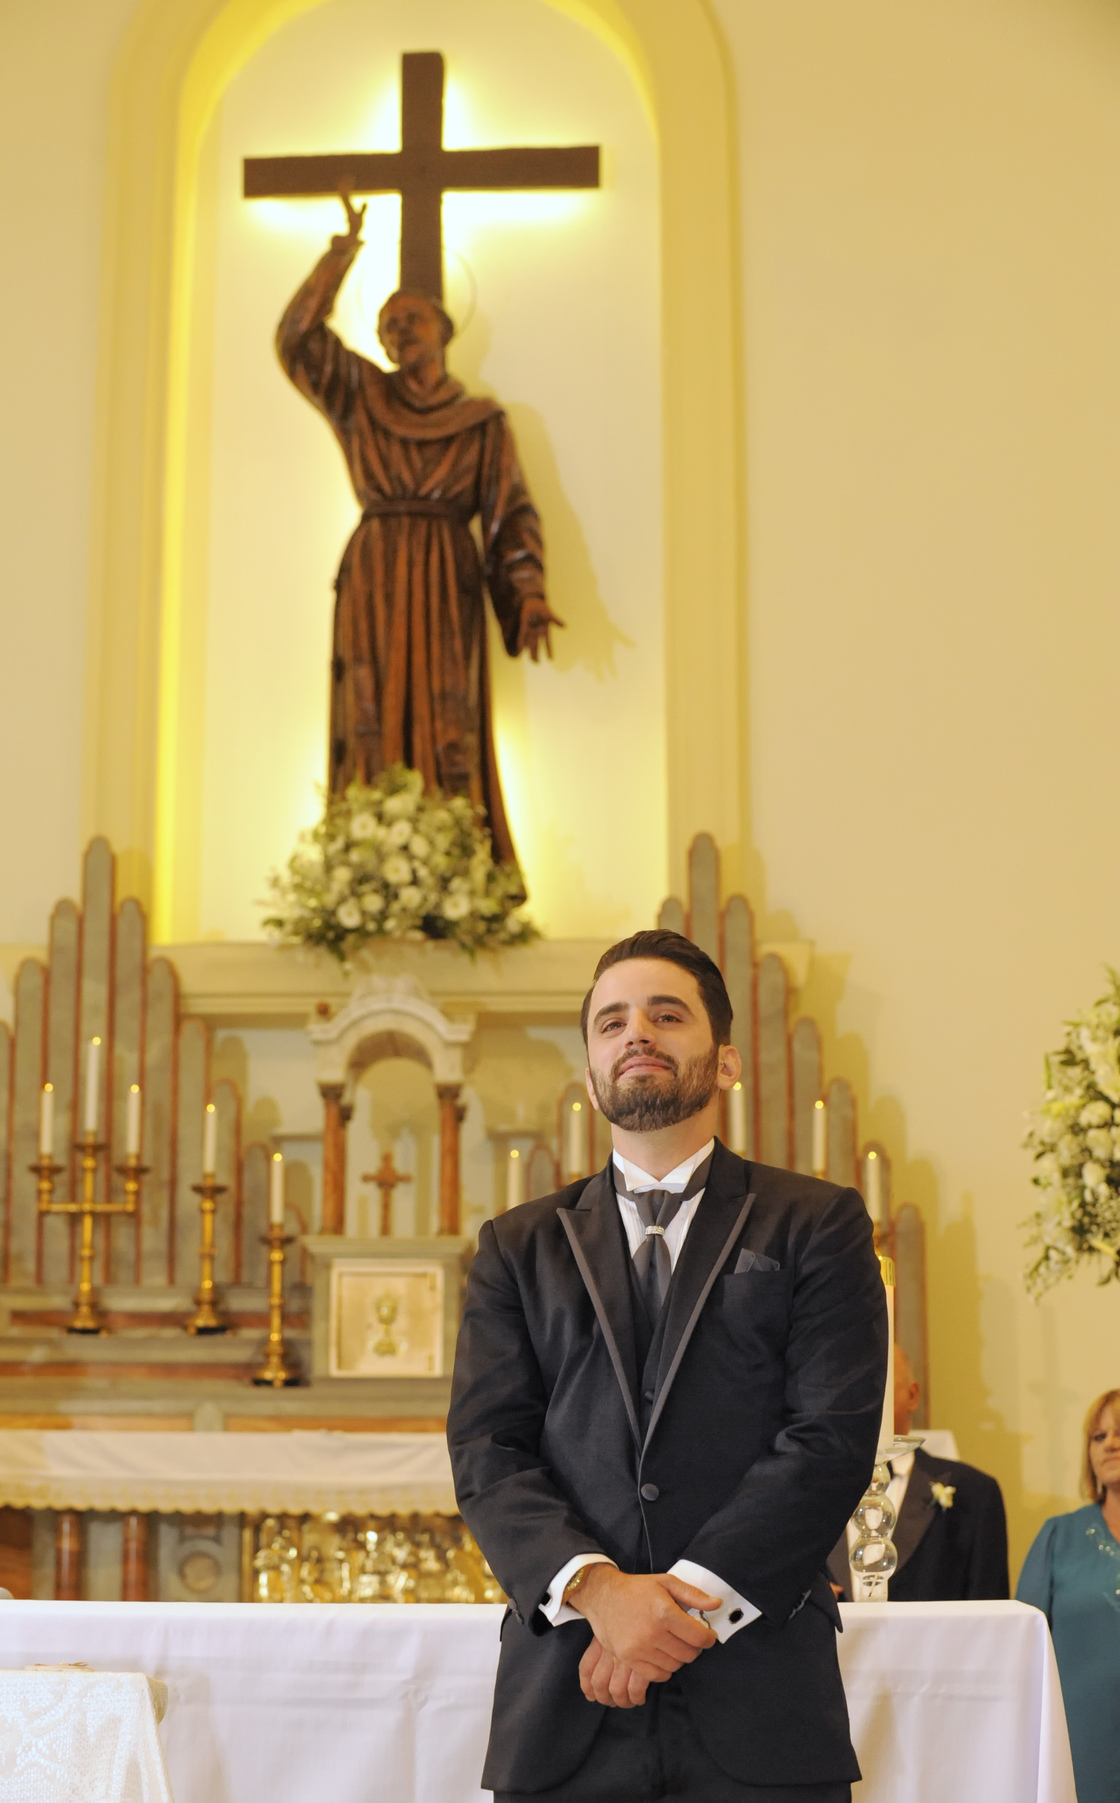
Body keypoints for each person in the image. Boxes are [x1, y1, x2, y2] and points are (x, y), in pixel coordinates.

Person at [448, 928, 888, 1802]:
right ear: (590, 1075)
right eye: (611, 1022)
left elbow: (828, 1437)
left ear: (725, 1062)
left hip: (760, 1689)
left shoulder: (817, 1223)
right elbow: (489, 1449)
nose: (636, 1033)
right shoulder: (516, 1246)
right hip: (568, 1691)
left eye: (666, 1014)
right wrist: (602, 1593)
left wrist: (675, 1607)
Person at [275, 188, 563, 867]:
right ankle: (367, 867)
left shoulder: (481, 422)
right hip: (375, 572)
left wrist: (527, 592)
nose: (399, 332)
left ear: (443, 330)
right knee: (369, 709)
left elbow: (510, 512)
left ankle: (451, 865)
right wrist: (338, 258)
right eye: (387, 326)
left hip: (443, 576)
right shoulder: (361, 395)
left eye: (412, 319)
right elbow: (296, 342)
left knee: (447, 713)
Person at [827, 1344, 1009, 1601]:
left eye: (876, 1385)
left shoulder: (974, 1493)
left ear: (912, 1396)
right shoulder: (809, 1492)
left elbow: (991, 1609)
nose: (861, 1401)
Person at [1017, 1388, 1120, 1803]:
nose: (1110, 1444)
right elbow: (1023, 1653)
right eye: (1099, 1436)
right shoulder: (1058, 1537)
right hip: (1079, 1742)